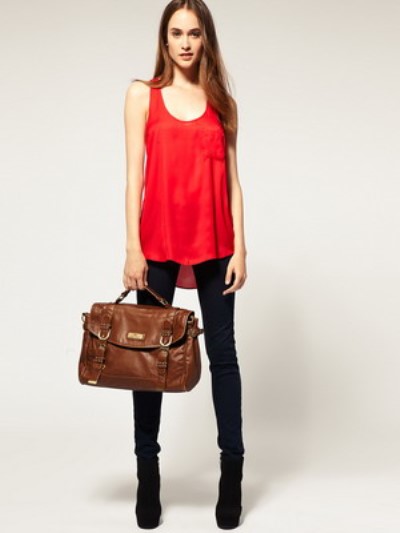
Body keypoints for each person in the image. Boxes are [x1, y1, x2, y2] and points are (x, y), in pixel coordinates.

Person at [122, 0, 247, 529]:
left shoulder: (223, 103)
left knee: (223, 356)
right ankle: (147, 473)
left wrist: (241, 247)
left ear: (205, 39)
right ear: (165, 39)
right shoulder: (142, 95)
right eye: (176, 33)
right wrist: (133, 248)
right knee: (149, 361)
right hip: (157, 242)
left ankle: (232, 473)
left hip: (217, 243)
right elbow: (134, 175)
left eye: (194, 33)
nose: (186, 43)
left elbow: (233, 180)